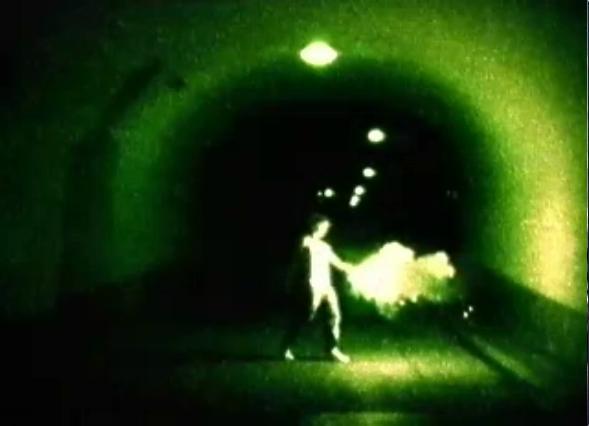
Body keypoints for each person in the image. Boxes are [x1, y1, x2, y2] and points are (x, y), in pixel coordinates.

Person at [282, 214, 354, 363]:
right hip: (312, 286)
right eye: (324, 226)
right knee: (305, 316)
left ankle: (332, 349)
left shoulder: (325, 247)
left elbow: (338, 263)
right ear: (316, 226)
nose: (327, 229)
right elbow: (296, 262)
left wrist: (350, 268)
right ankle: (286, 347)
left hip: (326, 287)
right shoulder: (306, 242)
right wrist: (290, 280)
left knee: (334, 315)